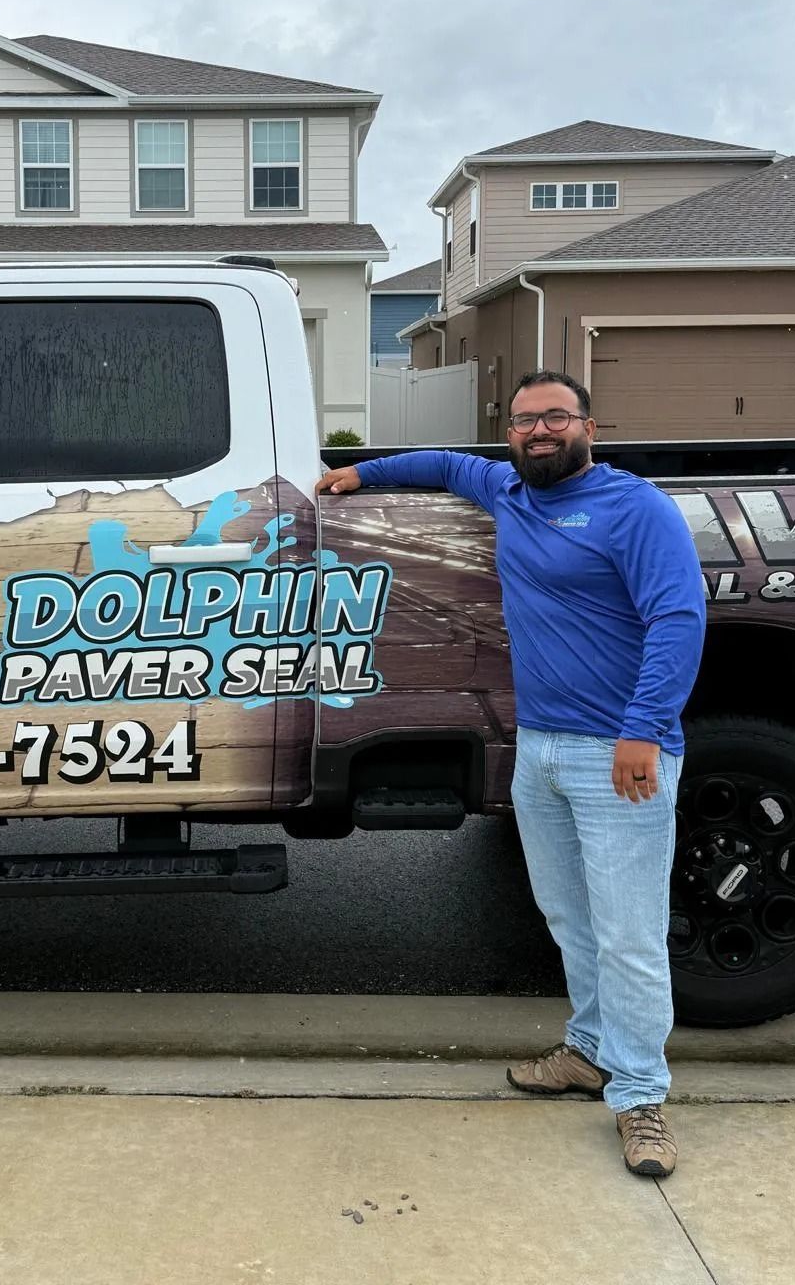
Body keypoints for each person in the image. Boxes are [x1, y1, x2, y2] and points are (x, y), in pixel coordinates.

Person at [316, 370, 706, 1178]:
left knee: (629, 932)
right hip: (543, 749)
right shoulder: (509, 490)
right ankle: (590, 1051)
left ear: (590, 428)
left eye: (555, 418)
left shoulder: (635, 509)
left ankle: (642, 1099)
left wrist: (642, 732)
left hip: (618, 754)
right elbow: (451, 465)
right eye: (525, 420)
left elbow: (678, 616)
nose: (537, 432)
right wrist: (363, 472)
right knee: (568, 915)